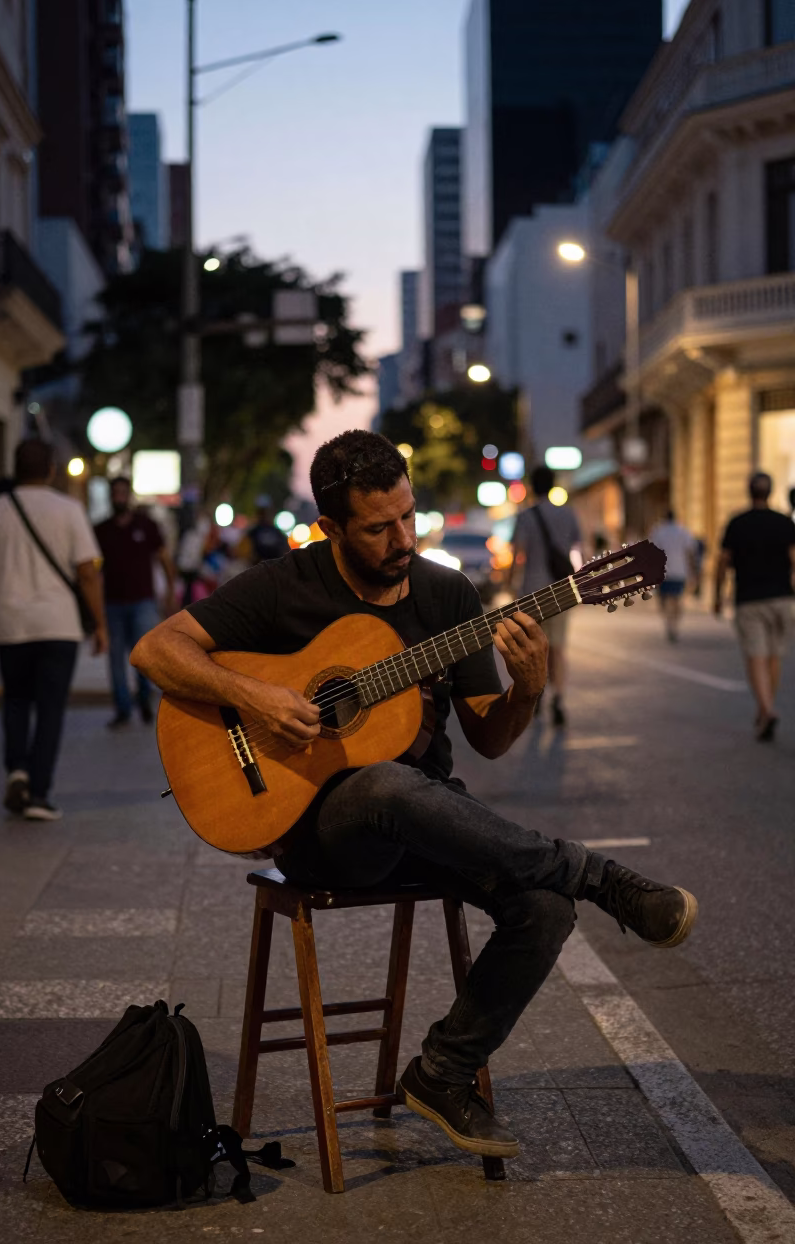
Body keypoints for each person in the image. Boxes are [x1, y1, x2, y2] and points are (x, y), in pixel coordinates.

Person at [132, 429, 697, 1162]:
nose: (402, 538)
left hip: (431, 820)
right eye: (379, 527)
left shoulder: (447, 595)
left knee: (543, 907)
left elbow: (489, 740)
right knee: (387, 783)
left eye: (408, 516)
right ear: (332, 527)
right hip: (324, 836)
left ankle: (442, 1073)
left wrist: (528, 690)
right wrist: (257, 698)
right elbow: (156, 650)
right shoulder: (286, 585)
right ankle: (597, 875)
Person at [0, 439, 106, 820]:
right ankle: (39, 795)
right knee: (50, 709)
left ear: (14, 468)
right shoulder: (69, 510)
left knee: (15, 700)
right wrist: (100, 624)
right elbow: (87, 572)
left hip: (11, 623)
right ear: (50, 470)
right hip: (59, 625)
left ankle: (17, 771)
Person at [715, 471, 795, 742]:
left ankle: (766, 709)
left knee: (755, 657)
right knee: (774, 657)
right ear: (770, 492)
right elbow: (794, 559)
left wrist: (717, 595)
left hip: (749, 599)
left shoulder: (737, 522)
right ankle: (766, 710)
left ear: (749, 491)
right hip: (782, 598)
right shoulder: (784, 522)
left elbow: (723, 561)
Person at [94, 477, 176, 730]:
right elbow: (93, 570)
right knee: (116, 659)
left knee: (143, 657)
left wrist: (171, 592)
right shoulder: (101, 529)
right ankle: (122, 710)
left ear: (129, 495)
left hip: (143, 602)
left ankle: (144, 702)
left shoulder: (147, 525)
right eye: (114, 492)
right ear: (109, 496)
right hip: (112, 603)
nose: (119, 497)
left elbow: (163, 558)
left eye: (122, 492)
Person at [509, 464, 581, 726]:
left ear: (532, 485)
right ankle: (559, 698)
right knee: (558, 648)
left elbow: (517, 555)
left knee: (532, 649)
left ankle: (536, 693)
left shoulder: (525, 516)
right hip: (561, 591)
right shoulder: (568, 514)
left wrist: (509, 587)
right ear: (552, 485)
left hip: (532, 593)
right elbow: (576, 547)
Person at [648, 511, 698, 642]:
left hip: (664, 571)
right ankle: (674, 623)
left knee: (664, 600)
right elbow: (690, 552)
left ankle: (669, 623)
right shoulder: (683, 531)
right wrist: (693, 571)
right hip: (680, 571)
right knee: (677, 599)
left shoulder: (658, 532)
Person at [238, 497, 290, 566]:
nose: (265, 515)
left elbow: (286, 550)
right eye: (262, 512)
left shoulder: (277, 532)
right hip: (257, 568)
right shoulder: (253, 532)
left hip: (274, 569)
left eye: (265, 512)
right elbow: (243, 553)